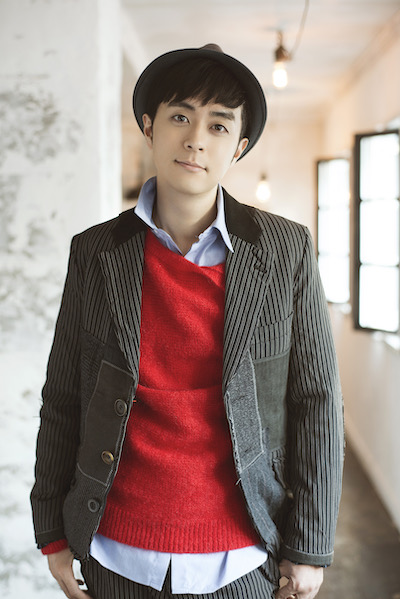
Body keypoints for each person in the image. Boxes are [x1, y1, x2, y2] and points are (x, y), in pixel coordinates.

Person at [31, 43, 344, 599]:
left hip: (243, 556)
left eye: (219, 125)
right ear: (149, 127)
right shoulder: (95, 251)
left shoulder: (285, 250)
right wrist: (52, 529)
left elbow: (316, 400)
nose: (197, 138)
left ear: (239, 146)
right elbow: (64, 395)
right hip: (114, 552)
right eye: (180, 116)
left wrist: (310, 546)